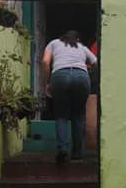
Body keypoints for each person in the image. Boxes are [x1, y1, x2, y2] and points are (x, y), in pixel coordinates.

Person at [41, 30, 97, 164]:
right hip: (81, 77)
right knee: (78, 115)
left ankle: (62, 150)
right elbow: (95, 62)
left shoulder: (53, 43)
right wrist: (87, 72)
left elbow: (45, 62)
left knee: (61, 115)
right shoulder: (82, 47)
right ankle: (77, 154)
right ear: (77, 39)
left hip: (60, 76)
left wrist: (47, 83)